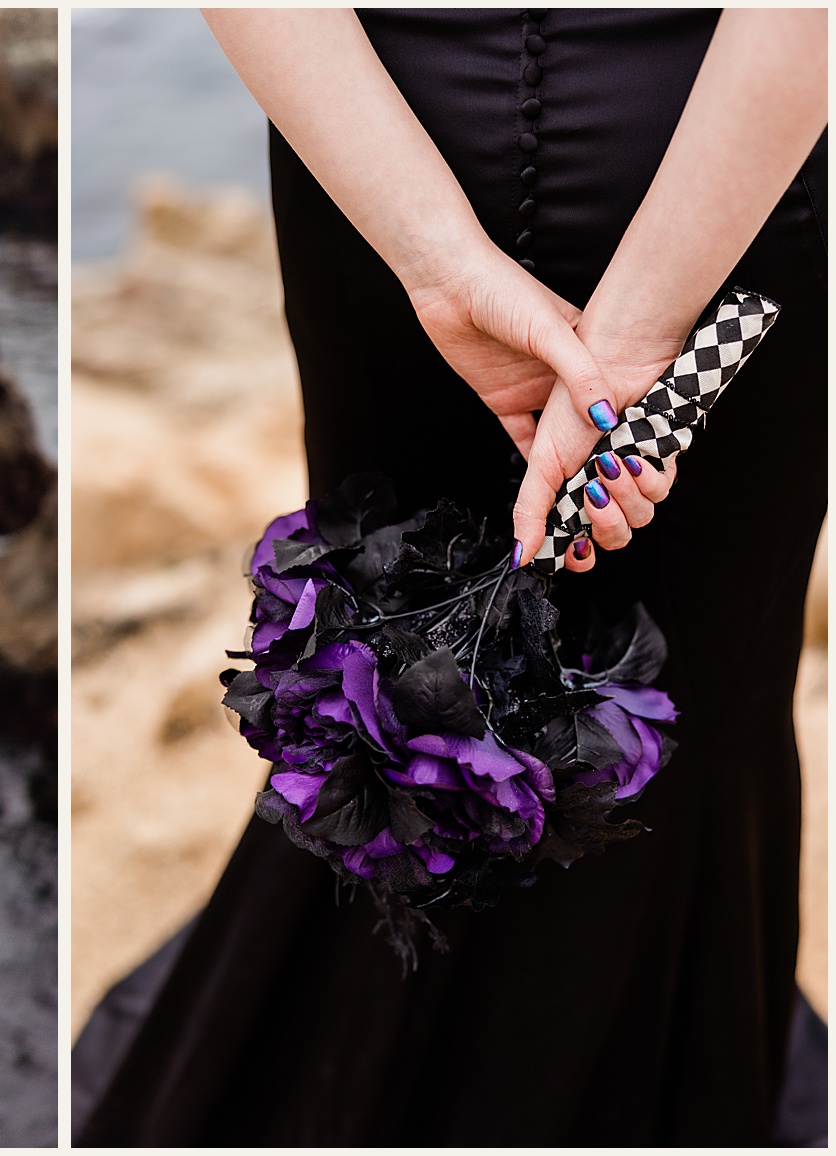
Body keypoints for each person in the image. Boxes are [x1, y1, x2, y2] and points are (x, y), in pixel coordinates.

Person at [78, 9, 826, 1145]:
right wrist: (631, 340)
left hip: (376, 155)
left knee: (391, 684)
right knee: (664, 706)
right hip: (714, 178)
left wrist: (434, 259)